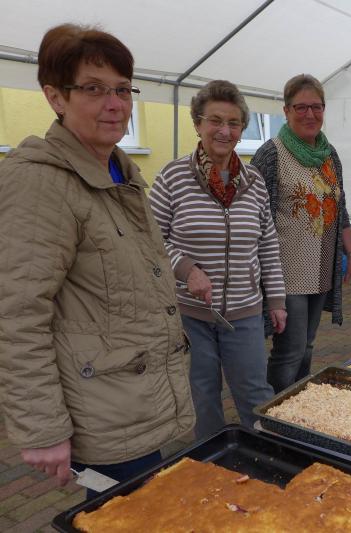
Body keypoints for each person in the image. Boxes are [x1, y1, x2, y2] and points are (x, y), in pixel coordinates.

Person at [0, 23, 194, 496]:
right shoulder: (40, 183)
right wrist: (42, 428)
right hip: (103, 410)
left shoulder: (119, 172)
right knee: (129, 516)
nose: (115, 104)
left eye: (123, 89)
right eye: (93, 88)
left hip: (135, 400)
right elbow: (16, 314)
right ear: (55, 97)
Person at [149, 80, 287, 440]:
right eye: (215, 120)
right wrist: (187, 269)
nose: (224, 131)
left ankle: (265, 456)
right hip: (190, 316)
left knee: (256, 395)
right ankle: (208, 462)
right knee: (202, 397)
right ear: (198, 124)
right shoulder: (173, 177)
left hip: (244, 312)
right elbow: (148, 239)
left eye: (234, 123)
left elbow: (267, 244)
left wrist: (276, 300)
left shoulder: (253, 181)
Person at [250, 74, 351, 393]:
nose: (309, 114)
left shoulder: (329, 155)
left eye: (316, 107)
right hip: (286, 272)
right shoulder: (271, 154)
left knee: (308, 346)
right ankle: (274, 410)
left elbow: (340, 209)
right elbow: (255, 218)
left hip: (322, 269)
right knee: (290, 350)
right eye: (301, 107)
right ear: (286, 110)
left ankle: (298, 404)